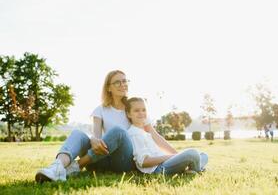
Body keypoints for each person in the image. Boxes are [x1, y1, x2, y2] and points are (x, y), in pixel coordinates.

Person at [35, 70, 177, 183]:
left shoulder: (135, 109)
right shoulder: (100, 110)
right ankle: (57, 167)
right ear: (108, 87)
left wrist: (176, 155)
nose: (123, 84)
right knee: (78, 134)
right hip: (99, 159)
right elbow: (96, 135)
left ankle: (77, 166)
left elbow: (154, 135)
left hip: (124, 162)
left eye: (124, 81)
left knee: (119, 131)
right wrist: (94, 140)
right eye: (117, 82)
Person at [125, 97, 208, 174]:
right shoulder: (135, 133)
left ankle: (190, 170)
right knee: (192, 153)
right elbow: (143, 162)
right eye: (136, 110)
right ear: (129, 114)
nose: (141, 113)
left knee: (203, 155)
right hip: (158, 168)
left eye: (144, 110)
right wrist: (169, 157)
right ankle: (195, 170)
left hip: (165, 162)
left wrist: (174, 157)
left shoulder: (144, 132)